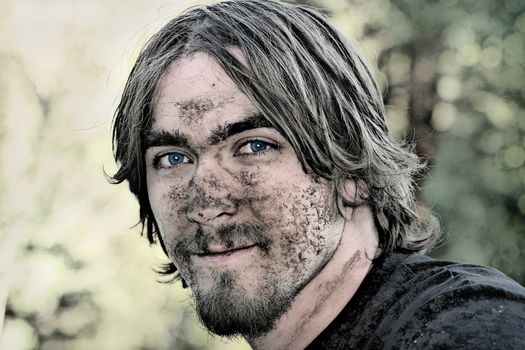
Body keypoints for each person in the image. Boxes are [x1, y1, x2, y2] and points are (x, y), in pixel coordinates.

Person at [110, 0, 525, 348]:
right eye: (172, 158)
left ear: (352, 169)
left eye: (255, 146)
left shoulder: (468, 329)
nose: (206, 202)